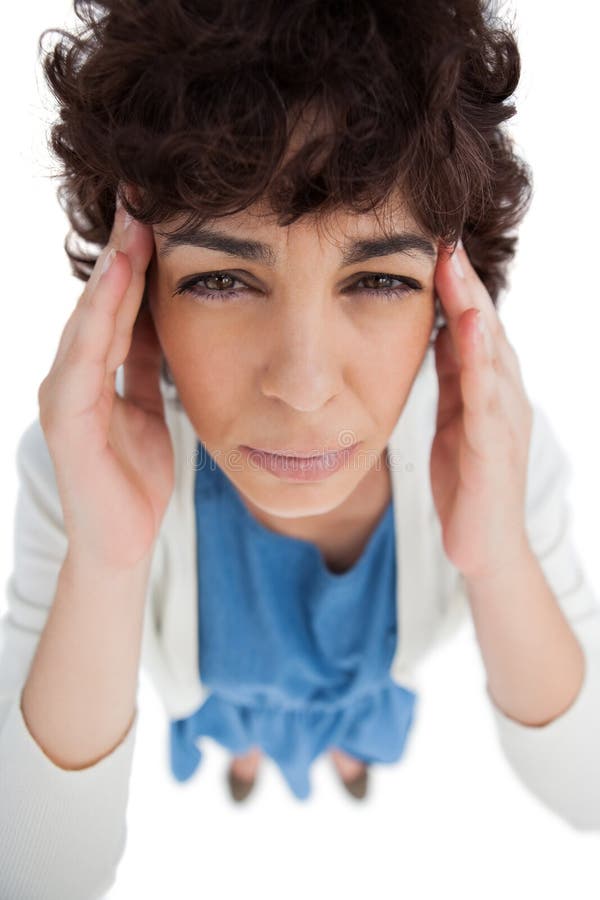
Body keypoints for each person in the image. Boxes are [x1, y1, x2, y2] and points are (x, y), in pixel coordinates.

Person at [2, 0, 600, 897]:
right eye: (219, 278)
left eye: (378, 278)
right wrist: (107, 563)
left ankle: (346, 752)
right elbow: (40, 874)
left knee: (353, 725)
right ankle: (245, 753)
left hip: (364, 676)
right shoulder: (82, 462)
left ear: (448, 298)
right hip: (224, 683)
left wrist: (500, 556)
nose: (306, 383)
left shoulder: (492, 444)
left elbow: (589, 793)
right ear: (136, 295)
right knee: (239, 722)